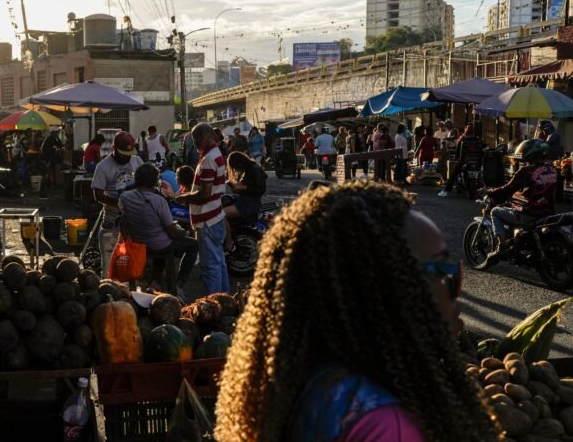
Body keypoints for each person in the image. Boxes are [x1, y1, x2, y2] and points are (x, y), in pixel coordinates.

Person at [214, 181, 500, 442]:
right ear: (383, 287)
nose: (456, 289)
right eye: (443, 272)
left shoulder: (308, 385)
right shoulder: (386, 427)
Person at [120, 164, 199, 297]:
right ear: (154, 181)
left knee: (160, 238)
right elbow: (173, 232)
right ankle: (178, 284)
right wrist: (183, 232)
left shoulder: (125, 197)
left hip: (138, 241)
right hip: (158, 244)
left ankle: (156, 281)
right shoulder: (158, 201)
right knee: (193, 245)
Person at [172, 123, 230, 294]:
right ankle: (224, 300)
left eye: (196, 138)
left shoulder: (209, 159)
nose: (194, 142)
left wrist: (183, 198)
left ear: (205, 136)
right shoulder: (215, 154)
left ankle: (213, 305)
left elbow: (204, 194)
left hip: (207, 220)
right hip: (215, 216)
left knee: (210, 266)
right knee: (219, 262)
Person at [483, 138, 557, 259]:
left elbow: (507, 189)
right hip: (548, 212)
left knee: (495, 211)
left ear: (530, 153)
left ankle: (501, 247)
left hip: (529, 213)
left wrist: (489, 192)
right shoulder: (553, 169)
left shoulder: (526, 171)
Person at [92, 131, 144, 277]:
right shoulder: (103, 166)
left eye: (129, 153)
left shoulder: (137, 161)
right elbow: (98, 195)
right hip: (112, 221)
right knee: (108, 269)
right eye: (123, 153)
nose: (126, 156)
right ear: (114, 149)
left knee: (132, 268)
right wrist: (121, 203)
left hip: (134, 222)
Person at [222, 151, 267, 251]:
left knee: (221, 214)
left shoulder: (255, 169)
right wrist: (235, 187)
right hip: (244, 200)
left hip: (249, 204)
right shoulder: (247, 169)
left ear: (239, 162)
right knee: (223, 200)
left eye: (234, 166)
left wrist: (244, 187)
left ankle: (229, 243)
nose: (234, 169)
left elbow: (261, 189)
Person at [438, 124, 483, 197]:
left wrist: (456, 156)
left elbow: (458, 150)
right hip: (477, 161)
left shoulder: (463, 138)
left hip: (464, 161)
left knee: (453, 174)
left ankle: (446, 190)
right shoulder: (478, 139)